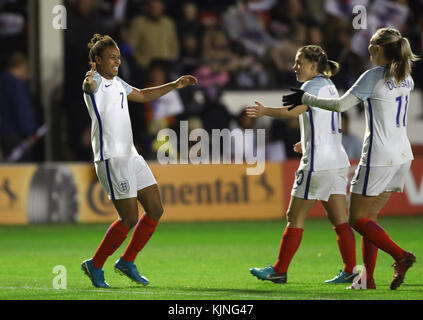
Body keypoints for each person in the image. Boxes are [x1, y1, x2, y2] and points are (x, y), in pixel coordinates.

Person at [283, 27, 419, 290]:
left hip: (379, 156)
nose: (367, 49)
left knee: (358, 219)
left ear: (378, 49)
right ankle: (367, 280)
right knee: (371, 218)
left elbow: (340, 105)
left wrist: (305, 97)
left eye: (370, 45)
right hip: (403, 155)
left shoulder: (373, 76)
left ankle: (401, 256)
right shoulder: (405, 75)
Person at [80, 34, 197, 288]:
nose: (117, 61)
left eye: (119, 57)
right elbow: (89, 87)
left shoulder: (118, 82)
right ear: (97, 60)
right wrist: (89, 83)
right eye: (112, 57)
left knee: (155, 209)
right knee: (129, 218)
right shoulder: (95, 81)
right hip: (111, 157)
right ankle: (95, 264)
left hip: (131, 155)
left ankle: (126, 261)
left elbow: (143, 95)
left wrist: (175, 84)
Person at [247, 45, 357, 285]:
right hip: (337, 160)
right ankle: (351, 269)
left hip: (317, 164)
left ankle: (279, 270)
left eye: (299, 62)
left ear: (313, 65)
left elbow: (294, 109)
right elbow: (322, 120)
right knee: (339, 219)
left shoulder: (310, 87)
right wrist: (306, 140)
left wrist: (265, 110)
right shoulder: (329, 86)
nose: (294, 67)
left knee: (294, 216)